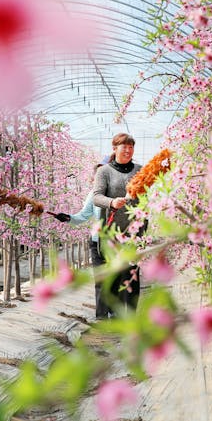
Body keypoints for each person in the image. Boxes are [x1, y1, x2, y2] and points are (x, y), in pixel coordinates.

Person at [92, 133, 142, 315]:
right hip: (111, 232)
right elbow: (97, 197)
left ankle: (130, 319)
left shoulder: (139, 170)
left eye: (131, 147)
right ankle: (108, 320)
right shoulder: (104, 171)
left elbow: (145, 197)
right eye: (124, 147)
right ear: (115, 149)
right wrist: (112, 202)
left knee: (131, 277)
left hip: (134, 233)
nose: (128, 150)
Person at [52, 162, 108, 318]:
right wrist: (68, 218)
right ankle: (102, 317)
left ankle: (118, 314)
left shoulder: (119, 192)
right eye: (98, 176)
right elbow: (83, 216)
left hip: (118, 241)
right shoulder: (93, 195)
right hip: (98, 241)